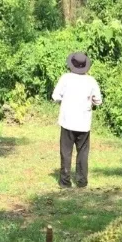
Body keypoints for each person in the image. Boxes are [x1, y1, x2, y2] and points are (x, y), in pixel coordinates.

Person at [52, 52, 102, 188]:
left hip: (67, 121)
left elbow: (55, 96)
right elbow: (98, 101)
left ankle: (65, 181)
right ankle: (82, 181)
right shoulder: (91, 81)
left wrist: (66, 100)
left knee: (66, 151)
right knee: (83, 152)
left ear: (72, 65)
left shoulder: (66, 78)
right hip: (84, 122)